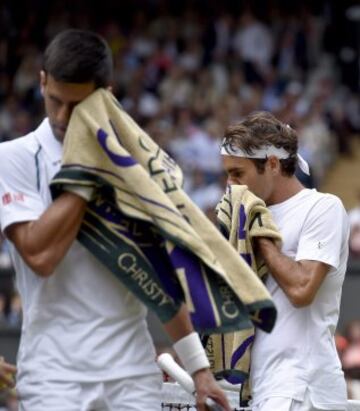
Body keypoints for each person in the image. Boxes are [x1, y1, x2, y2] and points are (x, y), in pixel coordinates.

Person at [0, 29, 230, 411]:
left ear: (106, 95)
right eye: (54, 100)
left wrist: (199, 369)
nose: (61, 116)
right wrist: (94, 168)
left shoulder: (140, 165)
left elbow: (157, 276)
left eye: (76, 106)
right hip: (52, 377)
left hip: (133, 375)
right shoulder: (14, 158)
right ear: (42, 81)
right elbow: (39, 258)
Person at [221, 111, 349, 411]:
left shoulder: (322, 208)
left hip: (303, 387)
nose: (230, 185)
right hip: (263, 388)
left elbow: (302, 289)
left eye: (238, 173)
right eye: (227, 174)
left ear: (273, 164)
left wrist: (259, 234)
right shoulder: (246, 218)